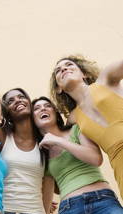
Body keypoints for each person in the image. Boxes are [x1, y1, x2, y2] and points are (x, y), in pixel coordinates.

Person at [32, 96, 123, 214]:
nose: (43, 108)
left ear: (55, 112)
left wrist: (58, 141)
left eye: (47, 105)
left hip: (103, 203)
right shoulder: (41, 153)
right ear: (33, 120)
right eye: (37, 108)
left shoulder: (76, 130)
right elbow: (47, 195)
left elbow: (95, 158)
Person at [50, 55, 123, 200]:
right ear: (58, 88)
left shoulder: (106, 79)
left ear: (84, 73)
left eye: (69, 65)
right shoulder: (73, 118)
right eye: (58, 70)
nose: (63, 68)